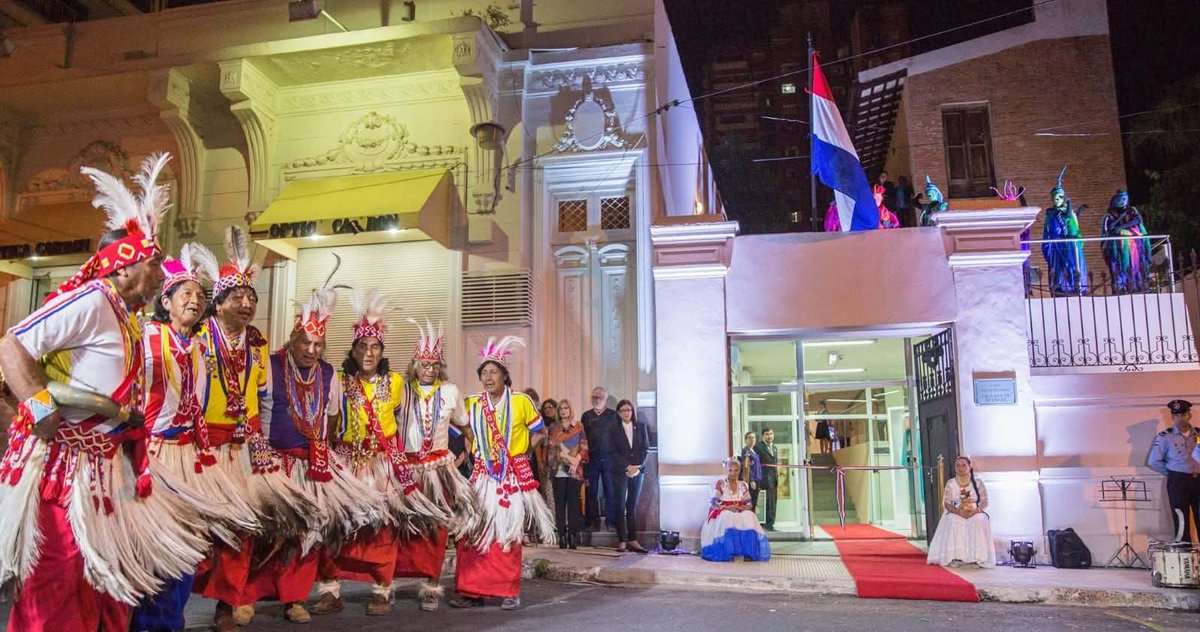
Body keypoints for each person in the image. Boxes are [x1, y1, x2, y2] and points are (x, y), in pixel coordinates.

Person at [0, 153, 215, 631]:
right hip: (68, 470)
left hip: (108, 469)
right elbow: (11, 346)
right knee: (56, 586)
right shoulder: (93, 299)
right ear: (125, 266)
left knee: (106, 589)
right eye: (156, 264)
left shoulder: (128, 315)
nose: (162, 276)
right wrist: (38, 406)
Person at [192, 226, 317, 631]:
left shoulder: (258, 344)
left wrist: (259, 440)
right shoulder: (198, 339)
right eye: (238, 297)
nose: (246, 304)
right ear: (219, 301)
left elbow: (264, 400)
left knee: (241, 529)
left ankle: (227, 605)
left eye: (251, 298)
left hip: (243, 447)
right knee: (195, 529)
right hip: (200, 445)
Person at [134, 242, 261, 632]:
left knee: (190, 544)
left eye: (199, 294)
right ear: (165, 301)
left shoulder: (199, 345)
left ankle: (171, 620)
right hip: (154, 455)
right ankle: (146, 622)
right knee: (156, 545)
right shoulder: (147, 337)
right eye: (185, 293)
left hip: (192, 455)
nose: (194, 299)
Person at [245, 284, 384, 624]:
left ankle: (294, 598)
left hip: (312, 465)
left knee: (309, 533)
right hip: (272, 463)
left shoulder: (328, 373)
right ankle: (245, 599)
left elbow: (333, 415)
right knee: (266, 531)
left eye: (318, 344)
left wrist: (323, 446)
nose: (312, 349)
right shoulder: (271, 364)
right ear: (292, 340)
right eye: (305, 343)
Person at [314, 290, 444, 617]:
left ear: (382, 350)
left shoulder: (397, 382)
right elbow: (330, 421)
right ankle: (331, 589)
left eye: (374, 347)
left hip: (383, 464)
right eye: (362, 346)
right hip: (346, 461)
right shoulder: (339, 381)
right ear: (354, 349)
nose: (368, 352)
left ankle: (382, 590)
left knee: (383, 529)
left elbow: (416, 414)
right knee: (337, 525)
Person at [449, 336, 554, 610]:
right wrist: (475, 448)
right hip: (483, 477)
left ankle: (509, 591)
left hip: (510, 478)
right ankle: (472, 591)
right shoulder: (471, 403)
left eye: (493, 371)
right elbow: (464, 430)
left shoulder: (520, 402)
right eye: (483, 372)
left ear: (504, 375)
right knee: (473, 531)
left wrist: (521, 454)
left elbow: (540, 432)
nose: (487, 377)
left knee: (507, 534)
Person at [394, 319, 479, 612]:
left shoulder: (451, 391)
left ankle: (431, 586)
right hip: (406, 468)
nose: (429, 369)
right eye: (424, 364)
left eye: (434, 365)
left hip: (438, 469)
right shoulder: (400, 389)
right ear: (415, 364)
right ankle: (388, 583)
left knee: (437, 529)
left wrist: (473, 452)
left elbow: (466, 427)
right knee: (401, 527)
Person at [1147, 399, 1200, 543]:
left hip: (1198, 480)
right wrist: (1171, 472)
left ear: (1189, 415)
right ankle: (1185, 558)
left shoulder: (1198, 434)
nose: (1179, 418)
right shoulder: (1165, 437)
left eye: (1182, 414)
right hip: (1178, 481)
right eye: (1176, 415)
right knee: (1181, 518)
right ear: (1172, 417)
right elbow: (1153, 461)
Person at [927, 456, 995, 568]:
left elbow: (985, 501)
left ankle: (977, 558)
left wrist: (975, 511)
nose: (961, 468)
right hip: (956, 511)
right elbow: (946, 503)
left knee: (978, 520)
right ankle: (955, 557)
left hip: (975, 511)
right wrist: (958, 512)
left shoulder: (978, 482)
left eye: (964, 465)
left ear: (970, 467)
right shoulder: (951, 483)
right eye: (958, 465)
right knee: (953, 520)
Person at [701, 458, 771, 562]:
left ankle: (749, 553)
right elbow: (714, 502)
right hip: (723, 510)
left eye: (736, 470)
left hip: (739, 510)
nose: (733, 473)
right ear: (726, 470)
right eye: (730, 470)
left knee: (749, 516)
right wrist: (727, 507)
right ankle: (727, 552)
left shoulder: (743, 485)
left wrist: (745, 507)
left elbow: (749, 503)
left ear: (740, 470)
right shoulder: (721, 484)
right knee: (728, 517)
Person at [609, 399, 649, 553]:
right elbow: (612, 452)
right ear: (619, 413)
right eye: (623, 410)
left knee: (632, 505)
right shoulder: (613, 429)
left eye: (629, 410)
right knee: (620, 504)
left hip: (638, 470)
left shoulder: (640, 427)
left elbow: (645, 448)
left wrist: (637, 466)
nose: (627, 413)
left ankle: (633, 539)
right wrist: (627, 466)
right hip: (621, 470)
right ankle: (621, 540)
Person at [1042, 166, 1088, 296]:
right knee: (1059, 272)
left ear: (1062, 198)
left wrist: (1072, 209)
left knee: (1073, 268)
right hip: (1056, 248)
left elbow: (1074, 228)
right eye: (1053, 199)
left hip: (1069, 247)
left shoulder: (1070, 213)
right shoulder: (1050, 215)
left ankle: (1076, 287)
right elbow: (1047, 232)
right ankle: (1060, 289)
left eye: (1058, 198)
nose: (1055, 201)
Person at [548, 398, 587, 549]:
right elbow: (552, 450)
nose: (564, 410)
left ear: (570, 410)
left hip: (575, 471)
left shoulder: (578, 426)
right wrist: (564, 457)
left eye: (566, 408)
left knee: (574, 505)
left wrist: (576, 460)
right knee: (560, 504)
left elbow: (584, 446)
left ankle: (573, 536)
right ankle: (562, 536)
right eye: (561, 408)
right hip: (559, 470)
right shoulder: (554, 428)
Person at [582, 385, 619, 530]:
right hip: (592, 460)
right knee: (591, 492)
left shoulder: (613, 415)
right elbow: (582, 438)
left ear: (605, 399)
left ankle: (611, 521)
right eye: (594, 397)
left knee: (610, 490)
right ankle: (593, 522)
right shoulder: (586, 416)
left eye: (600, 397)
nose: (597, 400)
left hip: (609, 460)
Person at [1101, 189, 1152, 294]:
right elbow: (1110, 228)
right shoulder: (1109, 216)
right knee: (1117, 268)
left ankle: (1137, 286)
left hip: (1133, 248)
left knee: (1135, 267)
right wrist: (1121, 217)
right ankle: (1120, 287)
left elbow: (1138, 221)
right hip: (1117, 250)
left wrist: (1122, 226)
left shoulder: (1132, 211)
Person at [753, 428, 780, 530]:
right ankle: (764, 525)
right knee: (766, 502)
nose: (769, 436)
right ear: (763, 436)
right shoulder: (758, 447)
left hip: (773, 479)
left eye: (771, 434)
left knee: (773, 502)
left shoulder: (774, 448)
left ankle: (771, 524)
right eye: (767, 434)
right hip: (764, 479)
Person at [739, 431, 762, 512]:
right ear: (745, 440)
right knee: (750, 501)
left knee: (755, 502)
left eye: (753, 437)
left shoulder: (753, 450)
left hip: (757, 478)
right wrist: (751, 480)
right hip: (751, 480)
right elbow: (746, 467)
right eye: (750, 438)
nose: (752, 439)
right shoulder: (746, 451)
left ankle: (753, 519)